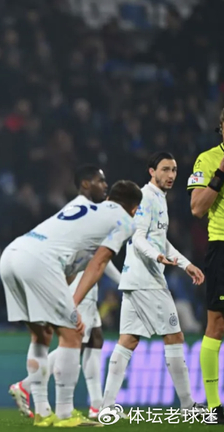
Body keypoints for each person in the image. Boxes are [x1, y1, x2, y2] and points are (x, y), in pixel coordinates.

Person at [1, 180, 143, 427]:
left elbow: (73, 260)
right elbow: (98, 262)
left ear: (109, 198)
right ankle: (63, 412)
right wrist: (73, 303)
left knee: (45, 334)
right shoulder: (124, 221)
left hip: (14, 253)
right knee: (73, 336)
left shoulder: (84, 207)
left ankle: (46, 411)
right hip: (45, 267)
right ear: (134, 208)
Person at [94, 152, 205, 418]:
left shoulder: (159, 198)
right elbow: (139, 238)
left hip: (136, 278)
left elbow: (160, 240)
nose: (171, 175)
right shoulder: (146, 197)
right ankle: (188, 406)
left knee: (128, 341)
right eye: (165, 169)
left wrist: (185, 263)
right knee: (175, 336)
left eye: (174, 170)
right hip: (147, 279)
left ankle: (106, 406)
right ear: (152, 171)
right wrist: (156, 257)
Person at [189, 109, 224, 423]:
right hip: (222, 247)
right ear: (221, 127)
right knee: (217, 326)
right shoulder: (208, 159)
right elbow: (197, 208)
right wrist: (221, 172)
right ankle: (214, 407)